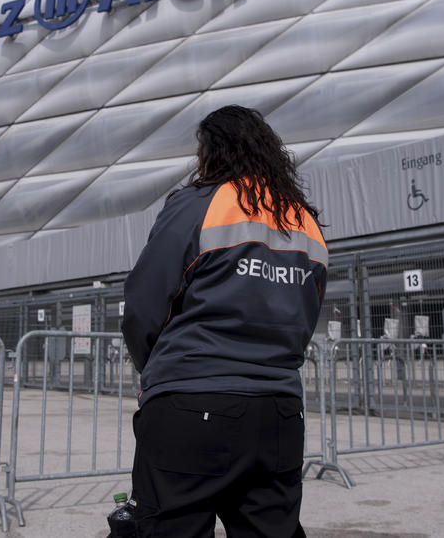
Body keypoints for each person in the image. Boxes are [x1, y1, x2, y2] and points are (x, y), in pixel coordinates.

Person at [121, 105, 328, 537]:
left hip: (193, 400)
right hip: (279, 411)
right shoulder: (304, 220)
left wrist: (155, 369)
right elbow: (305, 315)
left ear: (213, 152)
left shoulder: (200, 204)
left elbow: (144, 301)